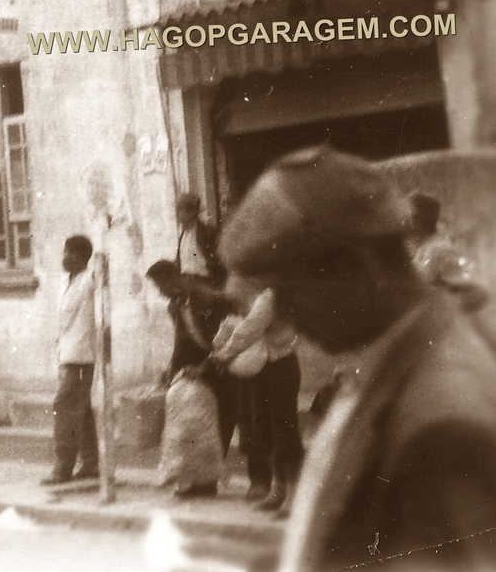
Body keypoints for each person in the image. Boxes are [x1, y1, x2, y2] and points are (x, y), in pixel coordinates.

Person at [218, 146, 496, 571]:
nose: (287, 315)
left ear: (354, 264)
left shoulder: (442, 422)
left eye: (289, 293)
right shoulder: (396, 361)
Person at [209, 283, 302, 511]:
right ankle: (278, 490)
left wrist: (224, 355)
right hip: (265, 368)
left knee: (283, 427)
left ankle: (292, 494)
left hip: (280, 365)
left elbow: (249, 330)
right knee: (266, 426)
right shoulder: (261, 296)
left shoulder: (269, 297)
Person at [145, 261, 240, 457]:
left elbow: (227, 337)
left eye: (159, 285)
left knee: (225, 417)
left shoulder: (206, 298)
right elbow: (182, 342)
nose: (159, 291)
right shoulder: (175, 305)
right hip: (204, 361)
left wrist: (205, 367)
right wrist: (171, 370)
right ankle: (203, 474)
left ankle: (212, 475)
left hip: (228, 360)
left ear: (172, 279)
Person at [44, 235, 99, 486]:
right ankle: (90, 463)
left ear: (78, 256)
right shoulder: (65, 281)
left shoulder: (89, 280)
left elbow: (101, 272)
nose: (63, 258)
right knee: (82, 410)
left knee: (64, 407)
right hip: (66, 355)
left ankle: (62, 468)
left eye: (67, 253)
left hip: (82, 358)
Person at [410, 192, 488, 312]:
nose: (408, 220)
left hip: (459, 307)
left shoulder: (436, 249)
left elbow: (425, 281)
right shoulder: (429, 243)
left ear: (420, 221)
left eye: (412, 216)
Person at [175, 193, 225, 287]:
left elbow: (220, 262)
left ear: (193, 211)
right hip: (187, 284)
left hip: (204, 283)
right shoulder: (183, 235)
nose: (177, 215)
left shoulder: (208, 233)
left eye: (181, 210)